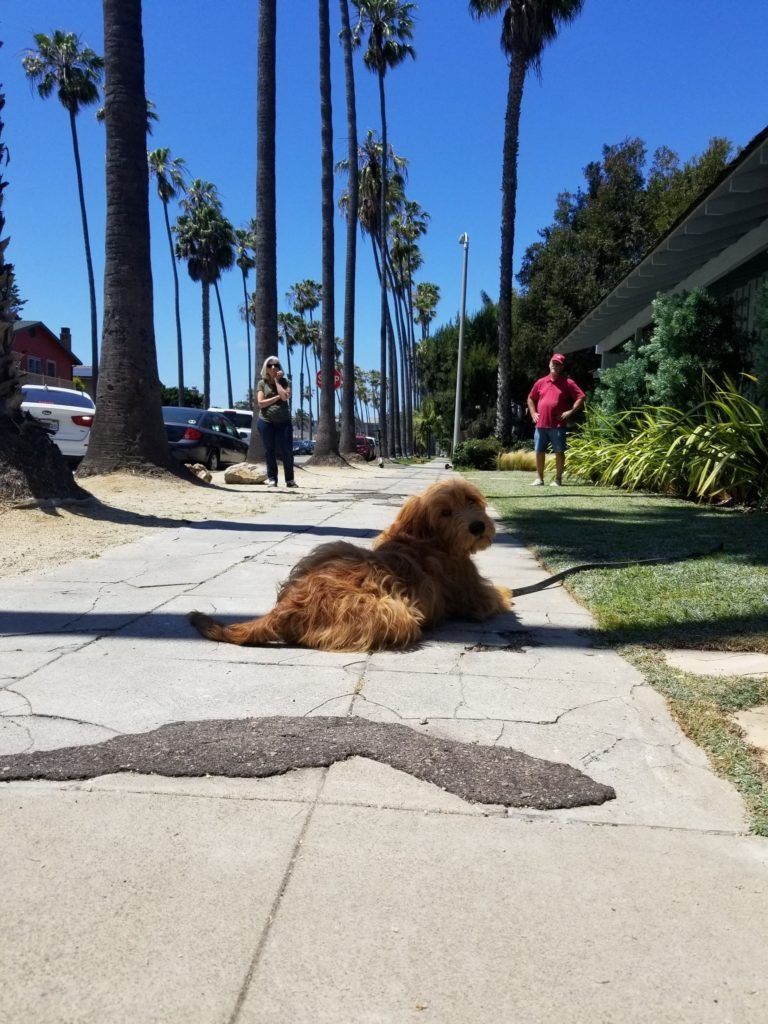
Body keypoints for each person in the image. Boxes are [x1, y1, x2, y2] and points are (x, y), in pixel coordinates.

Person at [527, 353, 585, 487]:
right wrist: (533, 412)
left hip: (558, 425)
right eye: (553, 363)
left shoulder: (568, 382)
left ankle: (558, 480)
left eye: (558, 364)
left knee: (559, 452)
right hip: (541, 424)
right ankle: (539, 479)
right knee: (539, 451)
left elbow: (581, 397)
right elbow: (530, 398)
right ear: (549, 364)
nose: (555, 365)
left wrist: (570, 411)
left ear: (562, 367)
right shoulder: (541, 382)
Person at [256, 356, 297, 488]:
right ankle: (272, 478)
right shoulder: (261, 383)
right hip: (266, 421)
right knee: (270, 450)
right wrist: (279, 396)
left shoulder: (285, 381)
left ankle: (290, 480)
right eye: (270, 365)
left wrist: (277, 381)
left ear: (279, 368)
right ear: (266, 368)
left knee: (287, 450)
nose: (273, 367)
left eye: (276, 365)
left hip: (284, 421)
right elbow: (261, 403)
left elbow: (285, 398)